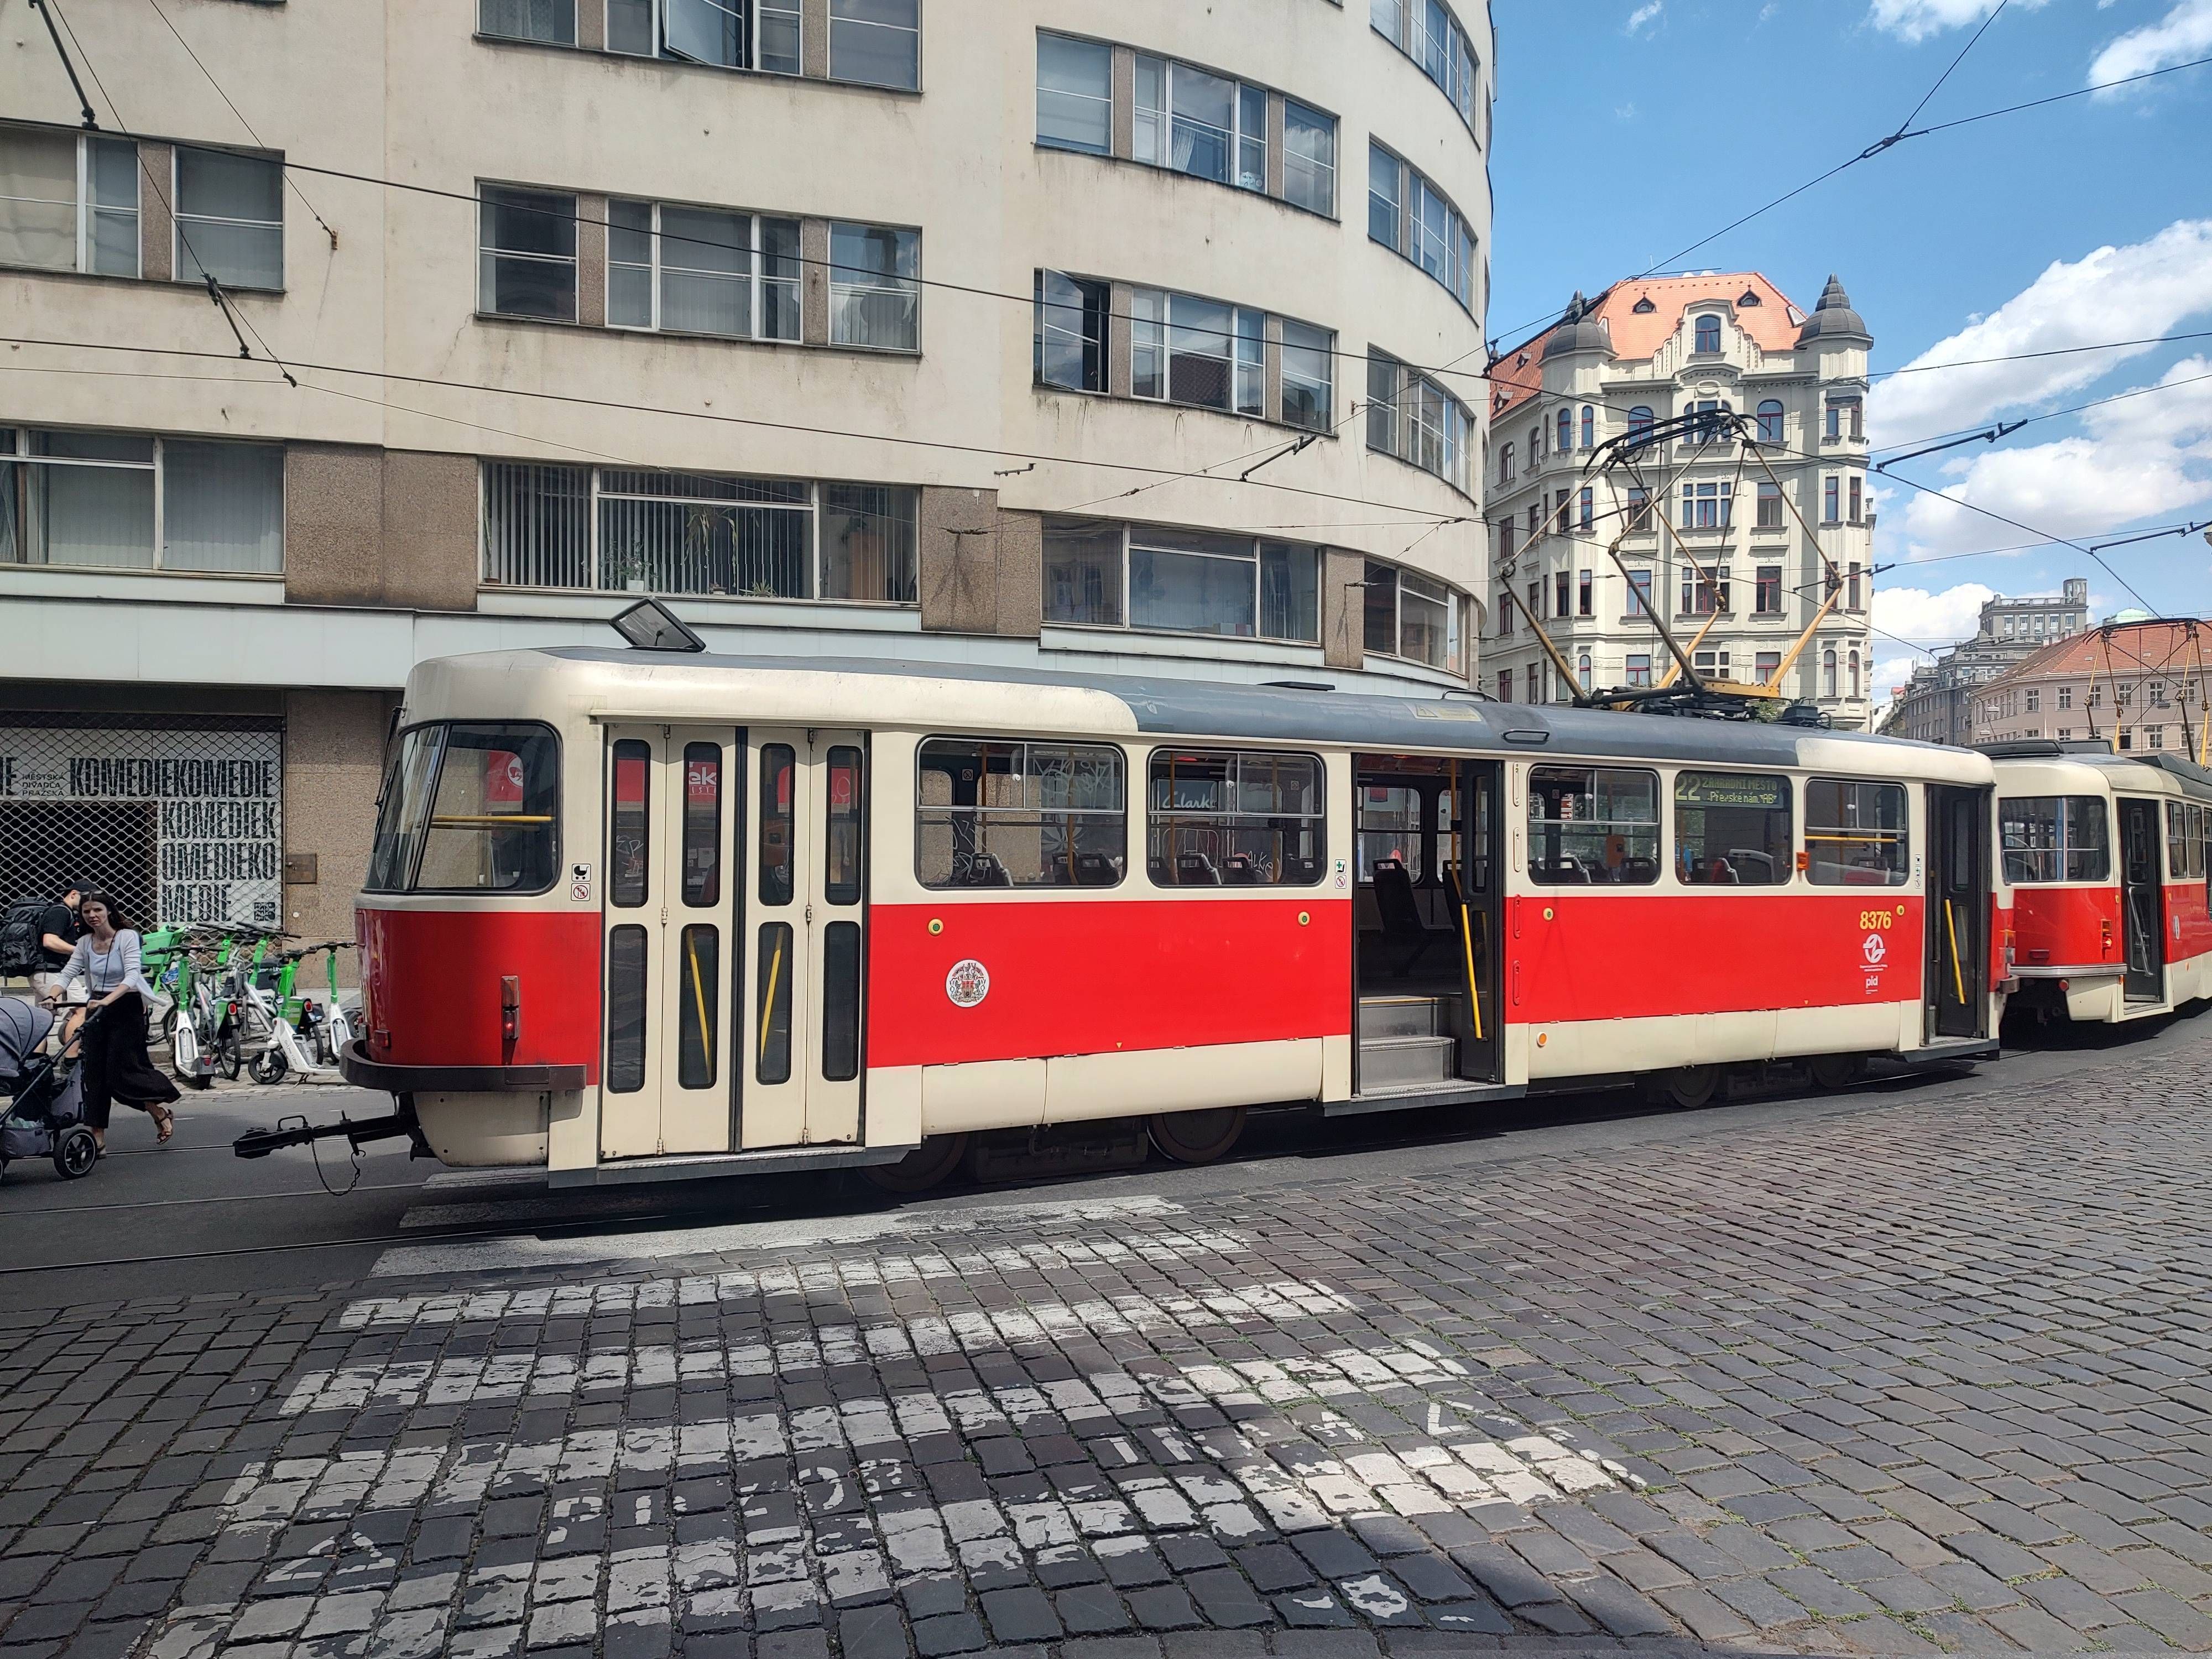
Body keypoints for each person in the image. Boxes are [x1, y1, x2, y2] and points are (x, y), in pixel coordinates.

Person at [43, 893, 177, 1150]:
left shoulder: (127, 937)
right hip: (97, 1007)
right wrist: (53, 994)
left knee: (122, 1071)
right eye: (86, 912)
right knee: (94, 1074)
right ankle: (98, 1137)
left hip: (127, 1005)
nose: (92, 915)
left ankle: (157, 1111)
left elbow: (132, 975)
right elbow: (69, 971)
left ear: (109, 911)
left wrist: (109, 999)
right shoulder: (84, 943)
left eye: (97, 910)